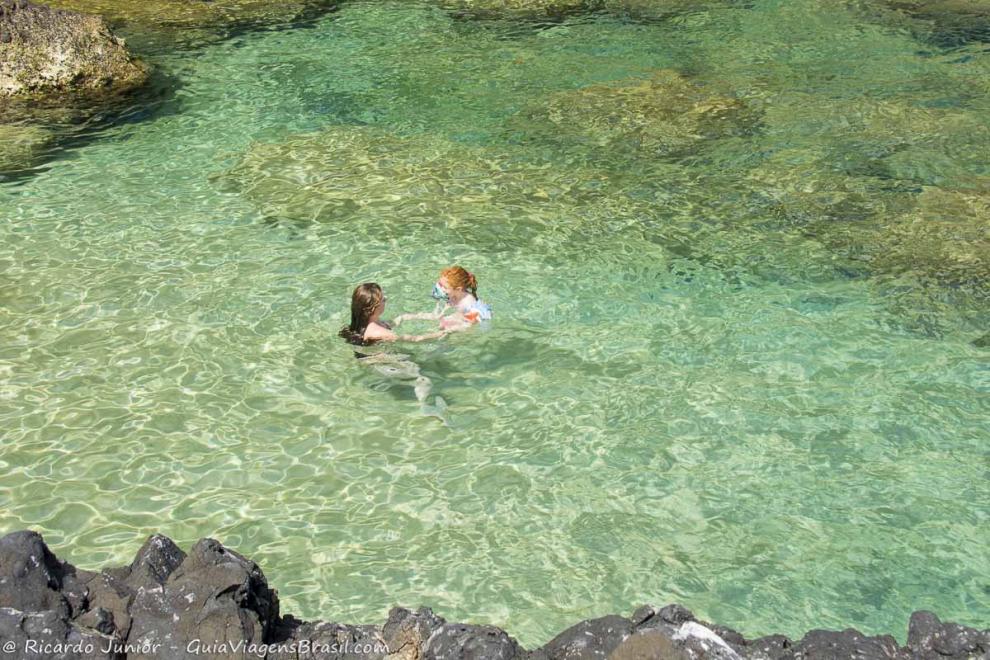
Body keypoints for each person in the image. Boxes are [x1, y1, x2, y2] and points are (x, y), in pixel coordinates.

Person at [339, 283, 448, 346]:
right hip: (379, 362)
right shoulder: (378, 332)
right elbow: (415, 339)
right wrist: (445, 332)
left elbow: (399, 319)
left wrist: (425, 315)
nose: (386, 299)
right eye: (383, 299)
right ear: (372, 308)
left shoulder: (370, 322)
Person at [393, 266, 492, 332]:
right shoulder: (451, 294)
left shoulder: (468, 303)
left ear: (458, 289)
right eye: (440, 284)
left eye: (444, 287)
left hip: (469, 321)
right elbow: (437, 314)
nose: (440, 288)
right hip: (457, 315)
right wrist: (409, 317)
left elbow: (470, 325)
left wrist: (449, 329)